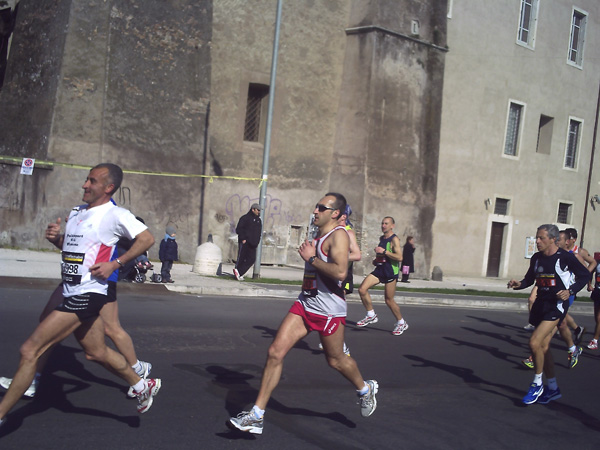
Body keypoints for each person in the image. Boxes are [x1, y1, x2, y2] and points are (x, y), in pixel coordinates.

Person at [0, 163, 161, 428]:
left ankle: (4, 412)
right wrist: (56, 240)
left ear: (108, 188)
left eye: (92, 181)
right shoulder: (77, 213)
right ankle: (142, 384)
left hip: (90, 293)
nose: (85, 185)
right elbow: (72, 249)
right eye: (86, 180)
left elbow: (147, 239)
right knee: (95, 352)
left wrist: (116, 263)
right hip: (70, 288)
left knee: (30, 349)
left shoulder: (115, 214)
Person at [227, 193, 378, 435]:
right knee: (275, 351)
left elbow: (340, 272)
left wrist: (312, 258)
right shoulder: (317, 234)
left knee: (336, 360)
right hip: (306, 304)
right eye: (316, 206)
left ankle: (364, 389)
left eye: (321, 207)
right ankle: (256, 415)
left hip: (329, 311)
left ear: (335, 213)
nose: (315, 210)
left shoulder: (338, 235)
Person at [507, 224, 589, 405]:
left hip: (557, 306)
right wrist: (517, 284)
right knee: (543, 348)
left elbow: (584, 276)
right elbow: (529, 279)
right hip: (541, 304)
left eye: (541, 238)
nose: (537, 241)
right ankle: (553, 388)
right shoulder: (536, 258)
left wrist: (571, 291)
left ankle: (537, 384)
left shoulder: (566, 258)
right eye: (537, 237)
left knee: (534, 342)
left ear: (553, 239)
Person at [356, 216, 408, 335]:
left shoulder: (394, 240)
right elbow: (383, 254)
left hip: (390, 272)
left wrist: (384, 252)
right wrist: (377, 259)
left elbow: (399, 257)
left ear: (392, 226)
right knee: (362, 289)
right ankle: (371, 314)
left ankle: (401, 322)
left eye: (386, 223)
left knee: (389, 300)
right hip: (380, 269)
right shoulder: (382, 238)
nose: (383, 225)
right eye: (382, 223)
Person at [233, 203, 262, 281]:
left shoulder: (258, 221)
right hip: (245, 242)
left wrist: (257, 241)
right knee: (242, 258)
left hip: (253, 244)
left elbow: (259, 232)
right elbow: (239, 229)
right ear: (253, 209)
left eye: (259, 210)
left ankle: (239, 272)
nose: (258, 212)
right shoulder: (245, 218)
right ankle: (238, 273)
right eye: (257, 210)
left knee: (252, 259)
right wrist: (243, 238)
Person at [342, 204, 360, 294]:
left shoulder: (348, 231)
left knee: (342, 294)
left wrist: (338, 257)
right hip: (334, 271)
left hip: (345, 272)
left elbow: (356, 255)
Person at [587, 255, 600, 350]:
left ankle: (595, 340)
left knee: (599, 318)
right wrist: (589, 284)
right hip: (597, 291)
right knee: (597, 317)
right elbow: (590, 272)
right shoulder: (597, 262)